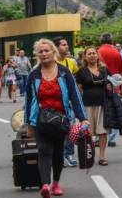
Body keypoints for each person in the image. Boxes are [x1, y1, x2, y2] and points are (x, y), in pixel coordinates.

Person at [25, 38, 89, 198]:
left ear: (53, 52)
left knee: (58, 152)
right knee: (44, 150)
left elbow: (75, 95)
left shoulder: (63, 72)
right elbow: (28, 99)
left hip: (61, 120)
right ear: (37, 54)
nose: (44, 53)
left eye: (47, 50)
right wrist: (29, 123)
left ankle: (56, 183)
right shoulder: (33, 74)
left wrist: (82, 118)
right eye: (40, 51)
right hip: (40, 119)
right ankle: (45, 184)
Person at [75, 47, 111, 166]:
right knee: (88, 133)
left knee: (102, 131)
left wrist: (111, 87)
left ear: (97, 55)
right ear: (85, 57)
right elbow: (78, 91)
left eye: (93, 53)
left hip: (102, 104)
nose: (91, 55)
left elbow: (112, 82)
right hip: (87, 105)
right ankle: (89, 156)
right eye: (89, 54)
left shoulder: (104, 69)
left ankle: (102, 156)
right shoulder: (81, 71)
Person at [53, 36, 79, 167]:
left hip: (68, 102)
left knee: (71, 128)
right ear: (56, 47)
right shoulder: (50, 62)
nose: (67, 46)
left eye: (66, 44)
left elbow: (78, 80)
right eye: (63, 45)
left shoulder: (71, 62)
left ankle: (69, 153)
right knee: (57, 129)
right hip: (54, 102)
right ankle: (58, 155)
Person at [97, 33, 122, 147]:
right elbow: (121, 72)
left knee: (100, 112)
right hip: (114, 87)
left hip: (99, 87)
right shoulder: (116, 53)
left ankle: (100, 137)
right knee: (114, 112)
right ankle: (112, 139)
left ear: (101, 40)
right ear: (112, 41)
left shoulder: (97, 52)